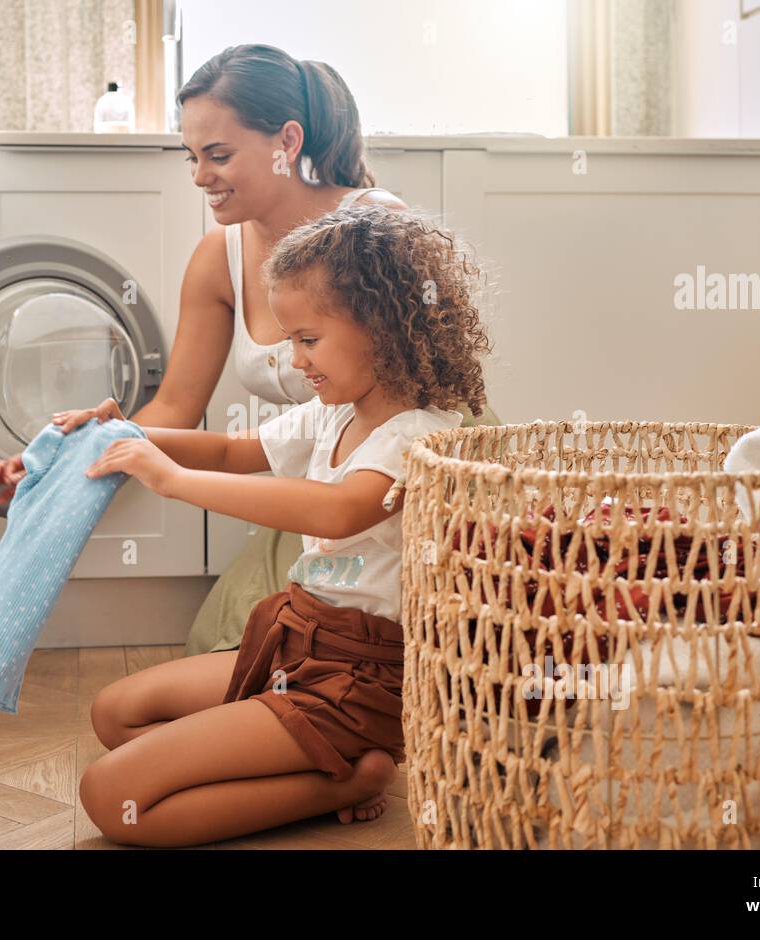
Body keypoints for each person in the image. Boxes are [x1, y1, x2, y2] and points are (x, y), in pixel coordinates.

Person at [0, 44, 460, 655]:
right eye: (191, 156)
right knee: (221, 643)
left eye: (218, 155)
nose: (199, 176)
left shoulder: (371, 229)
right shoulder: (219, 258)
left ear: (286, 142)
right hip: (320, 474)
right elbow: (178, 408)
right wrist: (78, 448)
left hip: (415, 475)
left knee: (403, 634)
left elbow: (434, 377)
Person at [49, 204, 491, 846]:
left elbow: (338, 509)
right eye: (289, 340)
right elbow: (234, 452)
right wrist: (129, 432)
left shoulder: (419, 435)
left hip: (358, 677)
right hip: (295, 638)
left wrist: (171, 481)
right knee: (116, 714)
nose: (294, 360)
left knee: (112, 796)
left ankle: (348, 775)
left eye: (307, 339)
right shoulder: (335, 412)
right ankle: (324, 769)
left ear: (382, 328)